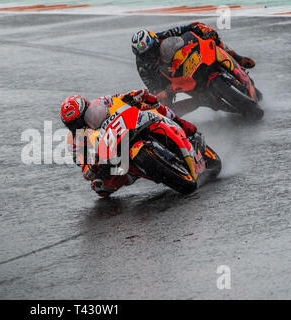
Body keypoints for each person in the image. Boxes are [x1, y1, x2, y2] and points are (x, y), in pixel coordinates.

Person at [60, 89, 198, 197]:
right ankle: (135, 172)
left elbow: (119, 98)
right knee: (100, 187)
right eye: (73, 124)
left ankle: (182, 125)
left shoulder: (101, 102)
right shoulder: (73, 142)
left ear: (88, 108)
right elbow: (85, 169)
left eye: (80, 119)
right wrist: (91, 167)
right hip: (109, 156)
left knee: (151, 104)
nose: (79, 124)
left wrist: (135, 95)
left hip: (124, 128)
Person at [131, 22, 256, 115]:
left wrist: (205, 30)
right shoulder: (142, 66)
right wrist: (161, 92)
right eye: (145, 55)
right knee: (165, 109)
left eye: (151, 51)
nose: (150, 55)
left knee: (212, 39)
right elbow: (153, 87)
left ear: (156, 42)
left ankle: (237, 57)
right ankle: (201, 104)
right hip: (173, 80)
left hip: (187, 61)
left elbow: (191, 27)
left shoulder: (163, 36)